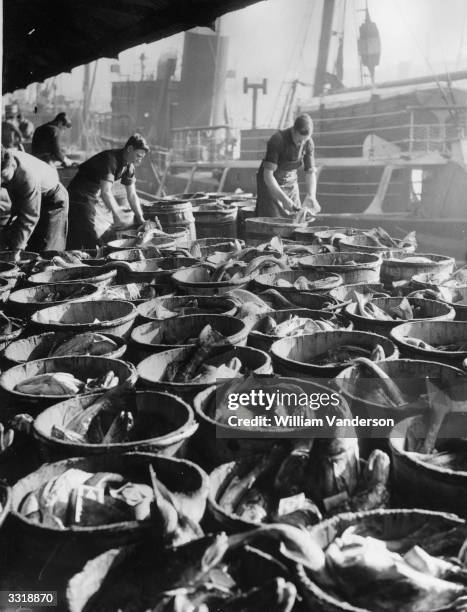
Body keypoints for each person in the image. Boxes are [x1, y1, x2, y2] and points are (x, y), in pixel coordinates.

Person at [67, 133, 149, 249]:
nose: (139, 160)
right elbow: (106, 192)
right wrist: (119, 215)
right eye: (138, 156)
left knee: (102, 230)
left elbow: (132, 195)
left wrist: (140, 218)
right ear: (130, 149)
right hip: (78, 195)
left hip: (94, 195)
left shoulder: (129, 167)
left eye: (141, 157)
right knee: (90, 235)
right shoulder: (110, 159)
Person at [0, 146, 69, 252]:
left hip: (53, 200)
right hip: (29, 198)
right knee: (15, 238)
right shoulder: (4, 159)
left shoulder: (28, 176)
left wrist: (16, 250)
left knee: (46, 251)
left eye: (3, 176)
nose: (1, 181)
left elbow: (29, 217)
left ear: (12, 165)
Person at [255, 113, 321, 218]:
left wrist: (311, 195)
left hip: (291, 182)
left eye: (306, 140)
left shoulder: (308, 143)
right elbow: (268, 175)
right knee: (271, 223)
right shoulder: (277, 140)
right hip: (271, 184)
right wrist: (283, 199)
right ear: (293, 131)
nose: (302, 143)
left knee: (297, 219)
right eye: (299, 140)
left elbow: (310, 172)